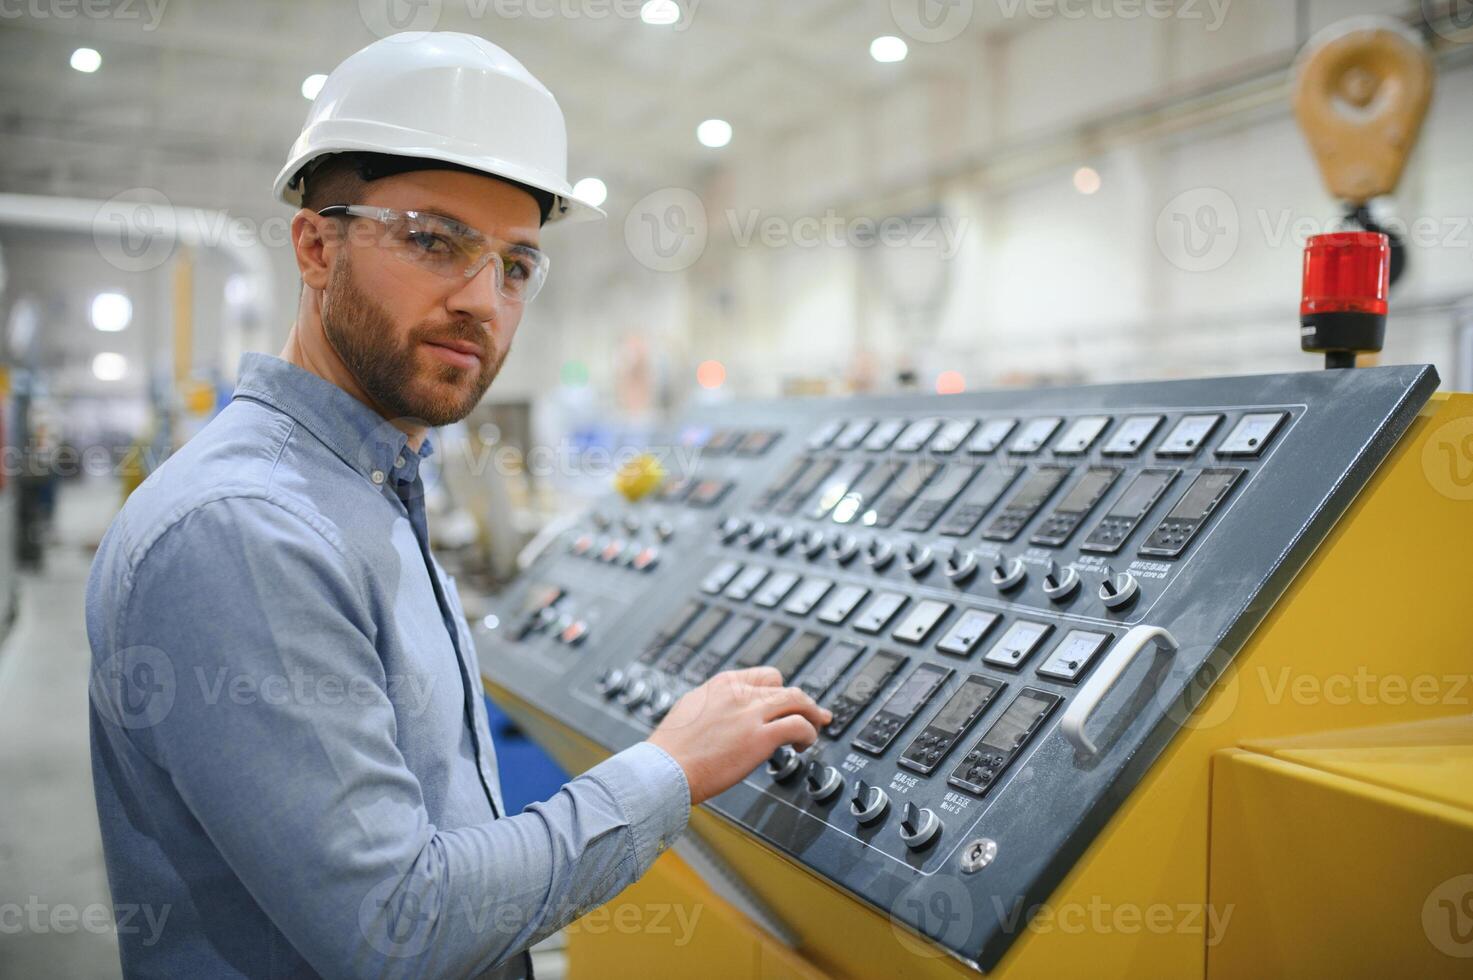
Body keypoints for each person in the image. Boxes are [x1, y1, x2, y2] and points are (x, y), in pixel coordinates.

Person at [85, 32, 829, 979]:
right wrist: (669, 768)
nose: (483, 300)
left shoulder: (366, 490)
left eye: (516, 265)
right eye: (433, 241)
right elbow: (400, 926)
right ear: (317, 245)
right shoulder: (244, 528)